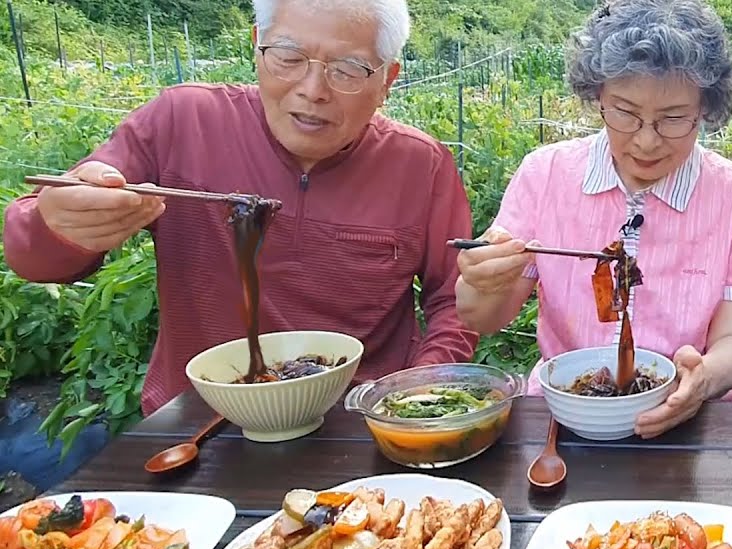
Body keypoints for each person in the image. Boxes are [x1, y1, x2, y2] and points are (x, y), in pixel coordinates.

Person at [2, 0, 477, 416]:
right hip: (195, 420)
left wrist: (415, 391)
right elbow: (34, 253)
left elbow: (454, 299)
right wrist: (61, 223)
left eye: (348, 70)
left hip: (354, 426)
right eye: (289, 57)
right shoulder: (182, 122)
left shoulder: (421, 166)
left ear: (387, 80)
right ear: (258, 48)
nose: (313, 89)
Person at [454, 0, 732, 439]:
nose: (646, 140)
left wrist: (702, 380)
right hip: (565, 418)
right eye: (625, 112)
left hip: (698, 424)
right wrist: (480, 281)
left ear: (705, 109)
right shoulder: (545, 176)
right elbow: (483, 318)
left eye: (674, 119)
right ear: (598, 96)